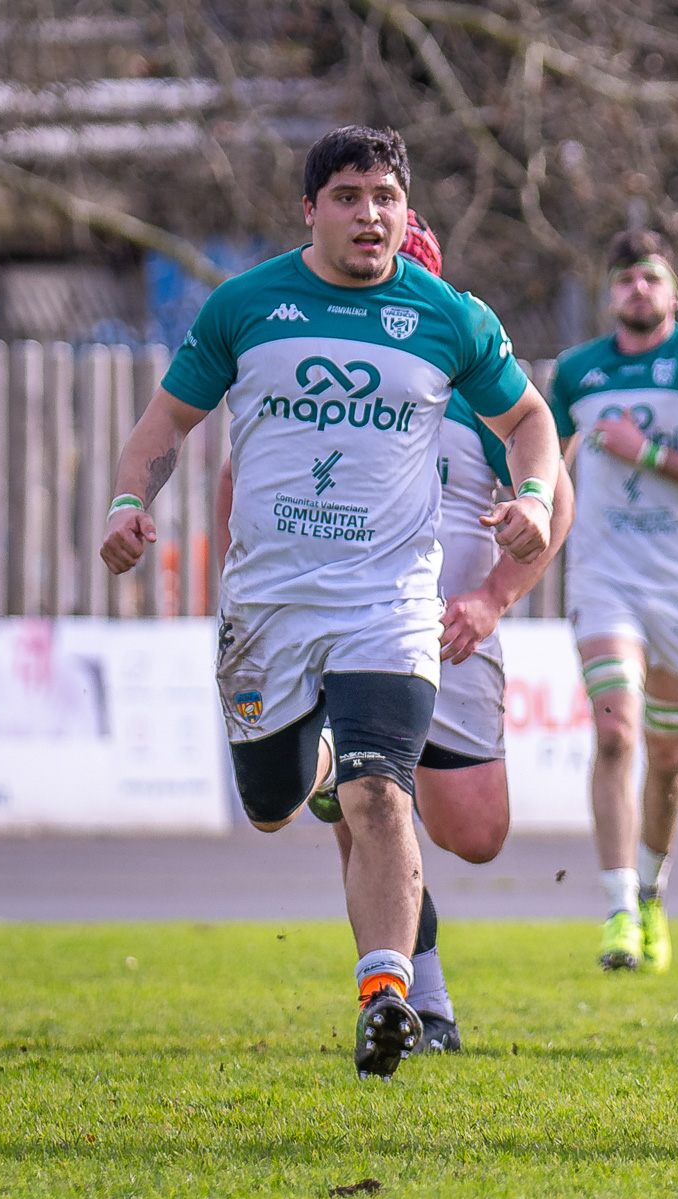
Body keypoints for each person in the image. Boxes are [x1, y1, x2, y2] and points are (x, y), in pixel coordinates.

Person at [101, 126, 560, 1078]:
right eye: (348, 196)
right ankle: (309, 768)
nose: (369, 215)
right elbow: (165, 423)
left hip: (390, 601)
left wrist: (535, 499)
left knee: (381, 787)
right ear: (311, 209)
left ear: (406, 209)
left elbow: (529, 419)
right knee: (273, 804)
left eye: (386, 197)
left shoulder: (447, 316)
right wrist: (127, 503)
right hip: (270, 604)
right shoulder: (246, 305)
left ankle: (390, 992)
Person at [214, 214, 575, 1053]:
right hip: (353, 625)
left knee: (476, 833)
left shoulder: (466, 373)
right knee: (375, 794)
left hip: (452, 627)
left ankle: (337, 769)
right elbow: (240, 477)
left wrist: (492, 598)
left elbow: (555, 495)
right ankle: (419, 1000)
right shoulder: (317, 370)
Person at [548, 230, 678, 973]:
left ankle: (650, 892)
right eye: (626, 278)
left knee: (668, 756)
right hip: (603, 577)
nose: (638, 289)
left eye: (651, 277)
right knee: (614, 732)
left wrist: (652, 454)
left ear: (673, 290)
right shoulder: (577, 371)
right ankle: (616, 909)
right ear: (610, 293)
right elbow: (543, 466)